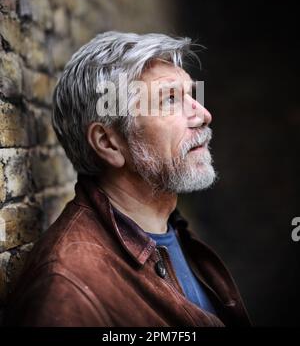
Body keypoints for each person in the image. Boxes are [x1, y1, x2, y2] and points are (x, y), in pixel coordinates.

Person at [5, 32, 251, 326]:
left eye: (191, 95)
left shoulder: (170, 227)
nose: (204, 115)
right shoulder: (68, 287)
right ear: (108, 143)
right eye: (170, 99)